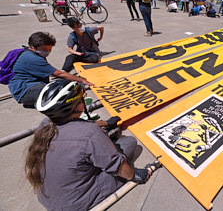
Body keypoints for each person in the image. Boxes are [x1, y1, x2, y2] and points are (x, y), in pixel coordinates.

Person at [26, 80, 156, 210]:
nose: (85, 98)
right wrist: (135, 175)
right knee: (129, 143)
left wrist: (106, 123)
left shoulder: (45, 124)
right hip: (76, 203)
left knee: (98, 145)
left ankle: (102, 145)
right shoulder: (89, 133)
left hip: (48, 197)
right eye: (83, 97)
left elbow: (83, 125)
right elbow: (116, 165)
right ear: (78, 107)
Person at [8, 32, 93, 108]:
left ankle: (39, 101)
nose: (48, 52)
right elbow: (58, 74)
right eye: (44, 49)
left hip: (28, 86)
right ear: (33, 47)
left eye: (50, 49)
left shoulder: (29, 52)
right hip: (24, 91)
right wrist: (81, 80)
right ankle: (76, 110)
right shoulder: (32, 59)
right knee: (63, 91)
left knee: (62, 85)